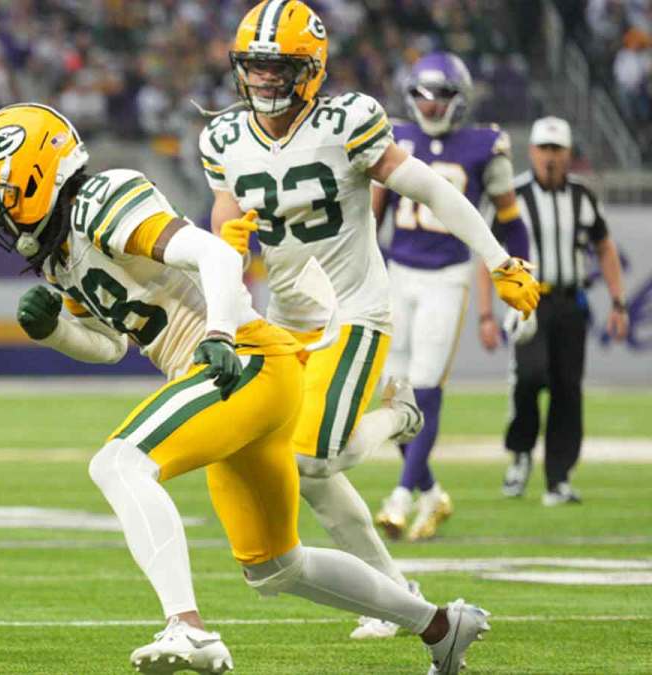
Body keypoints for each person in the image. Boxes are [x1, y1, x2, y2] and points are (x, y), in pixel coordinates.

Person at [0, 101, 493, 675]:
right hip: (238, 375)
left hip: (238, 357)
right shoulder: (61, 250)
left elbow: (215, 253)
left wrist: (218, 331)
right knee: (276, 566)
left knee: (118, 464)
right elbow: (113, 346)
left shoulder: (103, 199)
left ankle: (186, 628)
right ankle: (441, 626)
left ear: (38, 179)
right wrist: (57, 332)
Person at [201, 0, 540, 642]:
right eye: (255, 67)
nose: (264, 81)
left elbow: (436, 191)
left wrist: (497, 258)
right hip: (285, 319)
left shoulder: (349, 121)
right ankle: (394, 595)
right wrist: (230, 246)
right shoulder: (223, 136)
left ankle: (399, 414)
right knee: (311, 481)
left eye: (279, 68)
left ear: (311, 69)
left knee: (312, 462)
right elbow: (224, 216)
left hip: (353, 311)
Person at [371, 51, 532, 544]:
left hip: (448, 275)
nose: (430, 104)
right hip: (399, 271)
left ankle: (400, 494)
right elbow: (372, 214)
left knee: (424, 386)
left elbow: (510, 219)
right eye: (422, 94)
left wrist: (521, 281)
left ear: (459, 99)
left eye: (440, 95)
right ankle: (432, 491)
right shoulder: (395, 135)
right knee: (391, 392)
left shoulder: (485, 144)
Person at [492, 116, 629, 504]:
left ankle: (558, 477)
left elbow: (604, 245)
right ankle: (520, 455)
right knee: (529, 377)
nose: (550, 157)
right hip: (529, 302)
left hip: (570, 301)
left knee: (568, 389)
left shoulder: (582, 196)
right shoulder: (513, 194)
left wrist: (618, 301)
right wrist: (487, 312)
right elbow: (488, 249)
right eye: (544, 149)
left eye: (557, 150)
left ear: (569, 154)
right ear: (532, 151)